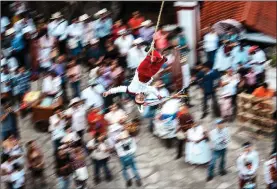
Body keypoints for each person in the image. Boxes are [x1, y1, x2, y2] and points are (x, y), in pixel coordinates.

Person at [103, 46, 167, 105]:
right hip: (148, 76)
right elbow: (152, 89)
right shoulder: (145, 90)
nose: (141, 97)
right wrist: (158, 95)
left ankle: (151, 52)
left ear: (136, 97)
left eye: (139, 98)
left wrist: (108, 92)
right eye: (142, 99)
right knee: (157, 66)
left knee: (151, 59)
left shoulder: (130, 90)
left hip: (140, 73)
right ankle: (161, 58)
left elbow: (119, 89)